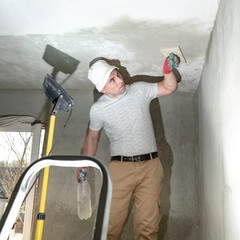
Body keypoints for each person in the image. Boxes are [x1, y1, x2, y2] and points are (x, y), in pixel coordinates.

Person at [78, 55, 180, 240]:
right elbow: (92, 138)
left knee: (148, 231)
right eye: (112, 80)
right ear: (102, 88)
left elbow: (169, 87)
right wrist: (84, 165)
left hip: (151, 168)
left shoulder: (140, 89)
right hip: (120, 170)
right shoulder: (98, 109)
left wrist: (167, 71)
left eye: (117, 75)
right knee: (108, 227)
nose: (120, 80)